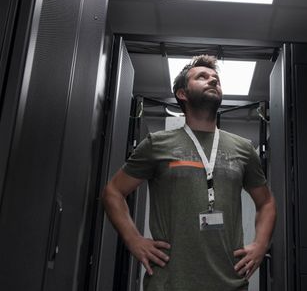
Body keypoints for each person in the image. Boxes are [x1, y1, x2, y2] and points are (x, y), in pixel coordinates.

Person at [102, 55, 276, 290]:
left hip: (229, 282)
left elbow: (266, 202)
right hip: (169, 283)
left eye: (216, 78)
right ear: (182, 93)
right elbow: (113, 191)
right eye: (202, 77)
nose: (213, 81)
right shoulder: (157, 144)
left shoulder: (243, 148)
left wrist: (261, 244)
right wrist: (133, 239)